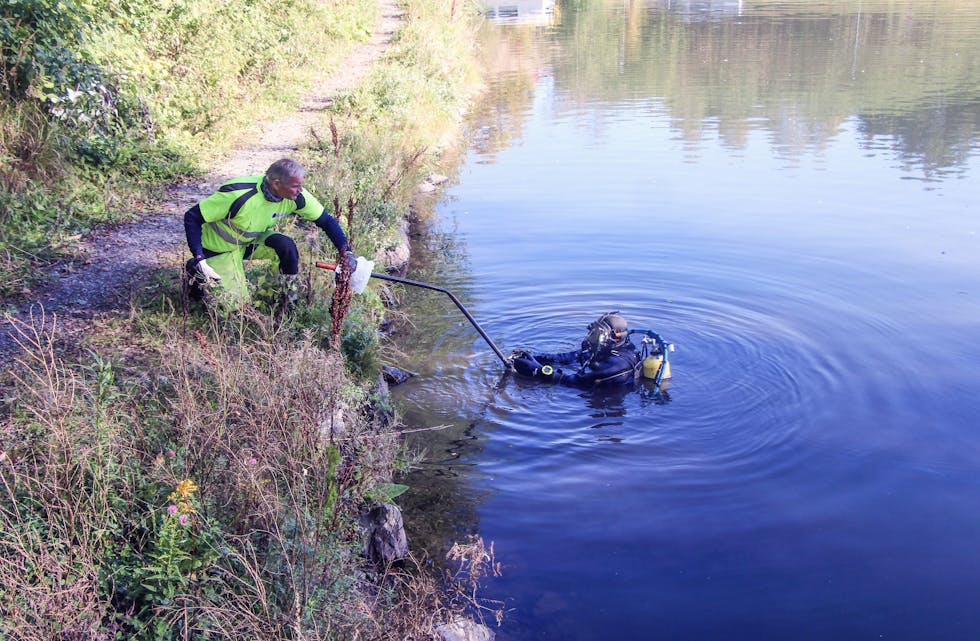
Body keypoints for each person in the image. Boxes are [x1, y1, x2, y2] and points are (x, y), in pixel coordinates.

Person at [184, 157, 357, 312]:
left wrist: (346, 252)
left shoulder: (296, 197)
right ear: (276, 184)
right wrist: (199, 257)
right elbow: (192, 216)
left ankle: (287, 303)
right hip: (218, 249)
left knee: (285, 247)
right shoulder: (239, 194)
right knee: (238, 312)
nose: (300, 190)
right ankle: (196, 272)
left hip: (248, 242)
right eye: (296, 186)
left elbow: (326, 221)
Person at [508, 312, 642, 387]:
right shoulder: (606, 348)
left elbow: (575, 382)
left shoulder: (618, 365)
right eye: (593, 332)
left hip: (607, 397)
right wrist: (535, 357)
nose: (592, 338)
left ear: (616, 337)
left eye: (598, 335)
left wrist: (539, 371)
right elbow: (569, 357)